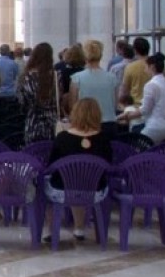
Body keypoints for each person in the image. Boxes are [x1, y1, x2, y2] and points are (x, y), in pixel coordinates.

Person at [44, 98, 112, 242]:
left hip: (62, 191)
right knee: (81, 181)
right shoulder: (104, 139)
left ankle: (51, 231)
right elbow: (109, 164)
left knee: (48, 184)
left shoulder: (62, 138)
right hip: (95, 192)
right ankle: (79, 228)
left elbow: (51, 165)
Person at [117, 53, 165, 144]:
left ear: (152, 67)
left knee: (138, 145)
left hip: (155, 127)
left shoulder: (150, 85)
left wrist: (127, 116)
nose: (145, 69)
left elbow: (144, 110)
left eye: (146, 67)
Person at [69, 40, 119, 138]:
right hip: (109, 124)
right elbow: (115, 104)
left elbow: (73, 106)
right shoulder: (112, 78)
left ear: (85, 57)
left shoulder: (77, 78)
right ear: (101, 56)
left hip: (84, 125)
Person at [17, 42, 58, 144]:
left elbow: (22, 103)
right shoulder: (57, 76)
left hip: (33, 122)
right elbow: (59, 99)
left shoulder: (27, 77)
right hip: (53, 123)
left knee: (34, 151)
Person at [121, 37, 151, 105]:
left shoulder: (130, 67)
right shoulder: (157, 65)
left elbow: (125, 89)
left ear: (135, 51)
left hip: (136, 105)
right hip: (154, 106)